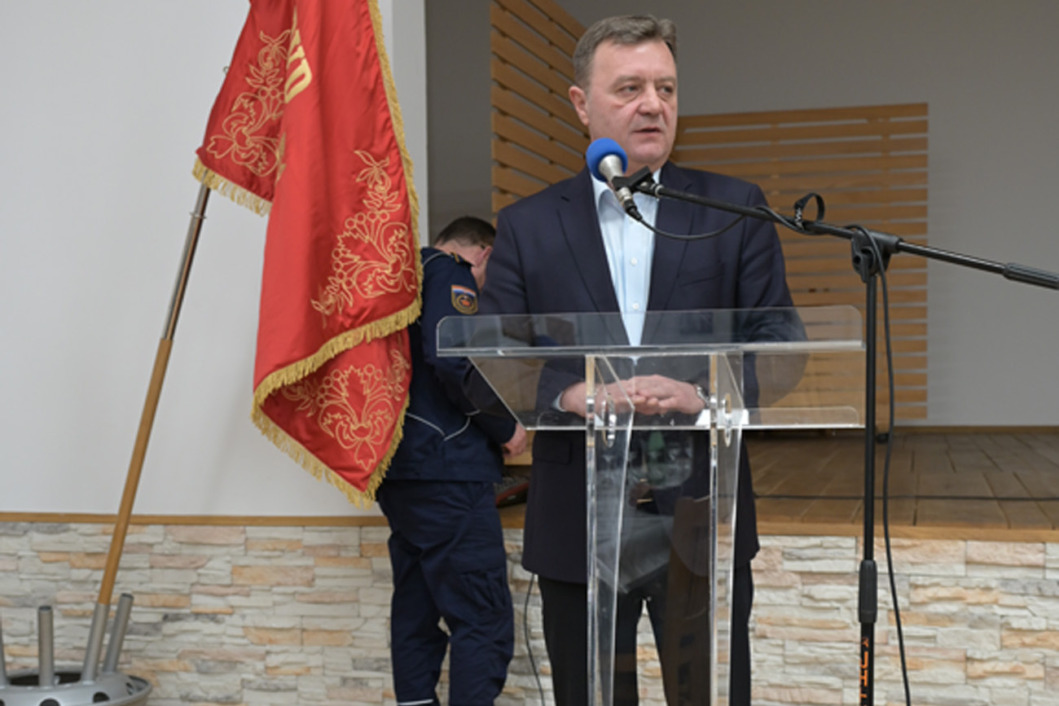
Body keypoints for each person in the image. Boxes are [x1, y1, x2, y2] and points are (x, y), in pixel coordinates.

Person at [478, 14, 797, 706]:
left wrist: (704, 394)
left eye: (665, 88)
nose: (653, 104)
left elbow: (780, 344)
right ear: (580, 103)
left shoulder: (734, 209)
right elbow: (494, 351)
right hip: (577, 519)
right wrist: (572, 395)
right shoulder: (528, 226)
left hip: (699, 510)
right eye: (629, 88)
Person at [377, 215, 528, 706]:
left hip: (399, 467)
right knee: (482, 618)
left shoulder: (396, 278)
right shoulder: (448, 271)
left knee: (416, 611)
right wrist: (505, 427)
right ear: (483, 254)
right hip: (448, 469)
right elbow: (451, 358)